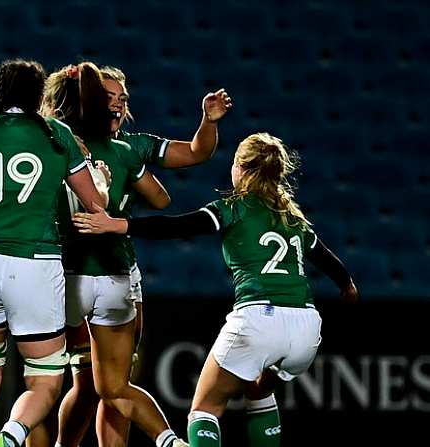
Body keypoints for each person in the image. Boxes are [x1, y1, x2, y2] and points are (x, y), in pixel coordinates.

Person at [74, 132, 359, 447]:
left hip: (258, 318)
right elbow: (328, 261)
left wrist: (119, 225)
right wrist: (347, 287)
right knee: (259, 390)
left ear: (240, 168)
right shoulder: (293, 219)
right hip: (306, 327)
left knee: (204, 409)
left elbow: (178, 226)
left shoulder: (233, 208)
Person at [0, 59, 107, 447]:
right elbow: (94, 204)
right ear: (37, 95)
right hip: (34, 266)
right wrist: (95, 171)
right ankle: (9, 439)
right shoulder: (57, 135)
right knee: (44, 383)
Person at [37, 62, 185, 447]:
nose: (117, 106)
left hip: (63, 276)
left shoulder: (44, 143)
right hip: (103, 272)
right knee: (108, 385)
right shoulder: (113, 150)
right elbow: (159, 199)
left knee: (66, 385)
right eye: (108, 98)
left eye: (123, 99)